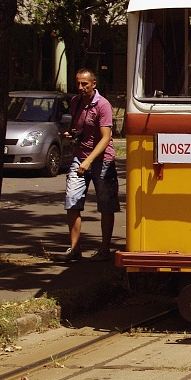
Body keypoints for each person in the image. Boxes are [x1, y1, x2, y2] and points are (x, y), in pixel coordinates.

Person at [61, 69, 119, 262]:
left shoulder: (103, 105)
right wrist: (72, 134)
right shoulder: (75, 102)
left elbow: (105, 139)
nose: (80, 87)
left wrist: (89, 160)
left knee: (106, 205)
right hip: (80, 156)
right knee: (72, 201)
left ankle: (104, 249)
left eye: (84, 84)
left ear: (94, 84)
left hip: (102, 160)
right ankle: (74, 248)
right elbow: (76, 128)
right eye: (77, 83)